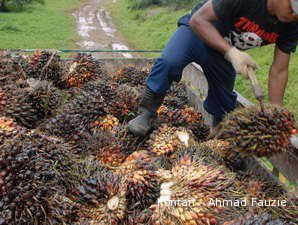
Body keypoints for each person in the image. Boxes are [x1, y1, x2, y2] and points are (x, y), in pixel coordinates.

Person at [128, 0, 298, 136]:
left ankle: (216, 139)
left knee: (224, 104)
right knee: (169, 62)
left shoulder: (292, 24)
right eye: (292, 7)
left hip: (222, 56)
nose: (294, 14)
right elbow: (198, 20)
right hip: (196, 35)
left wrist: (277, 113)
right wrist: (231, 52)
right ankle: (146, 112)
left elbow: (279, 70)